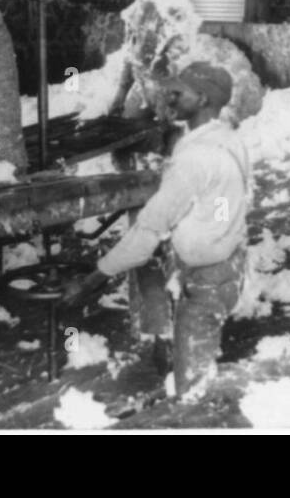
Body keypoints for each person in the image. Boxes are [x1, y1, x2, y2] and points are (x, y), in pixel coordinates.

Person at [63, 62, 250, 399]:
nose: (169, 98)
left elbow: (144, 235)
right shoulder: (228, 138)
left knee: (192, 392)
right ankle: (166, 340)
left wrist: (91, 280)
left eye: (178, 93)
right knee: (152, 265)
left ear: (203, 99)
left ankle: (202, 395)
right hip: (229, 264)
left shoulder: (194, 159)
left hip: (208, 280)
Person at [107, 0, 197, 120]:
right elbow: (130, 56)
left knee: (170, 126)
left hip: (169, 86)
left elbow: (185, 49)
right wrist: (120, 93)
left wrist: (167, 59)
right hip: (143, 87)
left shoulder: (174, 9)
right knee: (127, 122)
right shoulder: (135, 12)